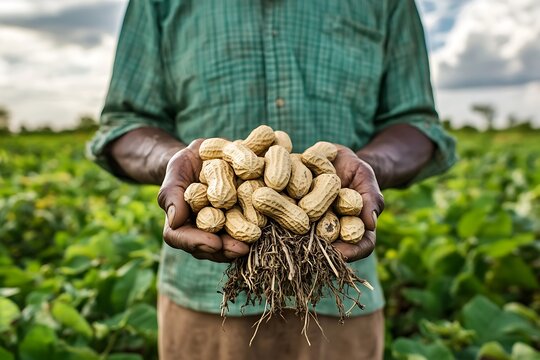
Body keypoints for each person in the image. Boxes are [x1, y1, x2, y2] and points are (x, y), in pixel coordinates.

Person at [89, 0, 456, 359]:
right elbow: (124, 124)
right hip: (204, 302)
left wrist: (368, 166)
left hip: (338, 292)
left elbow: (417, 123)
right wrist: (175, 163)